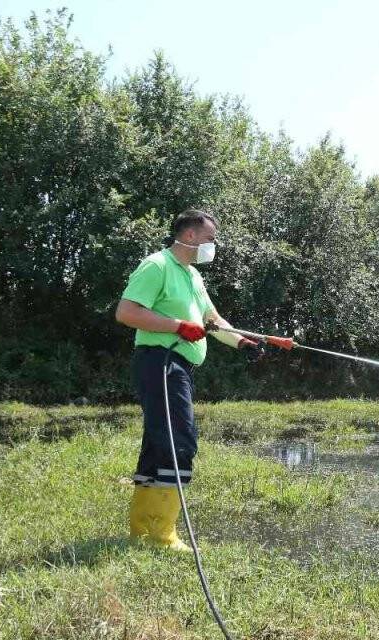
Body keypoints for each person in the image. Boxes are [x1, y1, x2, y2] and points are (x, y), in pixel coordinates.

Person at [114, 208, 260, 551]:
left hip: (179, 366)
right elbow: (127, 312)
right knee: (180, 441)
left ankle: (142, 531)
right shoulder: (158, 265)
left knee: (158, 441)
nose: (213, 245)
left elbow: (212, 319)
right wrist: (178, 326)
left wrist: (242, 342)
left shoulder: (192, 276)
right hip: (161, 361)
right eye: (210, 238)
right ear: (190, 236)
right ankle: (163, 535)